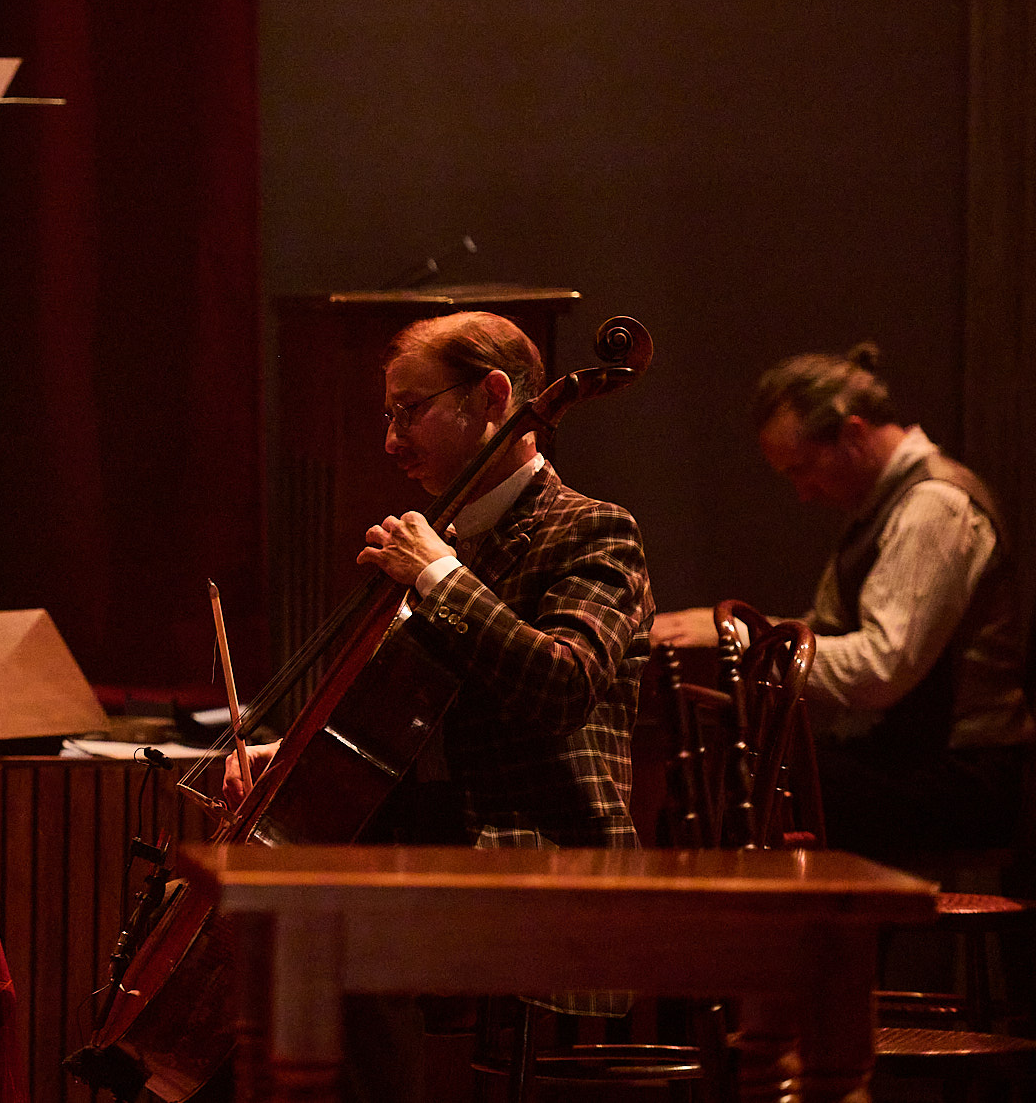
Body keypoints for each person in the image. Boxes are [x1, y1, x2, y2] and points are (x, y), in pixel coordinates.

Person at [225, 311, 654, 1103]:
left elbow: (563, 685)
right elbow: (400, 726)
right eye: (388, 415)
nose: (391, 441)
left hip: (535, 861)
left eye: (410, 410)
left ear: (493, 397)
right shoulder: (444, 544)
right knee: (271, 935)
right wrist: (293, 759)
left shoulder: (593, 530)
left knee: (332, 949)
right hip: (434, 852)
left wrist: (442, 580)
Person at [653, 344, 1032, 861]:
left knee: (739, 791)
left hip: (962, 773)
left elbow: (881, 668)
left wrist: (739, 639)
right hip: (912, 754)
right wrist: (736, 628)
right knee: (729, 778)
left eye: (802, 468)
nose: (803, 492)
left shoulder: (935, 507)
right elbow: (827, 631)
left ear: (853, 434)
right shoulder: (881, 507)